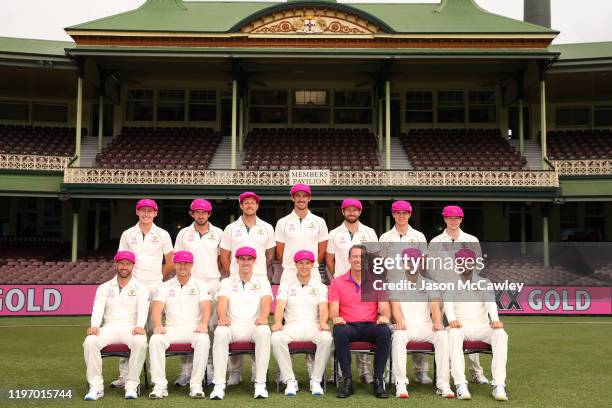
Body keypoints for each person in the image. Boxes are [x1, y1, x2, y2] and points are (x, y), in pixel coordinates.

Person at [111, 198, 174, 389]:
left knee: (155, 331)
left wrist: (158, 278)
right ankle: (125, 376)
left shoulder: (162, 234)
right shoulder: (127, 234)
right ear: (137, 212)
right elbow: (122, 260)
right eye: (142, 210)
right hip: (134, 287)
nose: (146, 214)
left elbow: (170, 261)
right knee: (131, 329)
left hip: (155, 287)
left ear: (155, 213)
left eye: (150, 211)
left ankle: (157, 378)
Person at [428, 205, 489, 385]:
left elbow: (477, 266)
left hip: (466, 292)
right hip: (443, 292)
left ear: (461, 219)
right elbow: (431, 268)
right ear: (444, 219)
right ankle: (445, 372)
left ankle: (476, 372)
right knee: (444, 332)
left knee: (470, 330)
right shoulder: (435, 241)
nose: (453, 221)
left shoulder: (471, 240)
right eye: (449, 218)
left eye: (456, 218)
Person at [219, 192, 275, 384]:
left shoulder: (267, 228)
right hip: (235, 279)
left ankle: (256, 370)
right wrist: (233, 273)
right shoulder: (230, 228)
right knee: (232, 321)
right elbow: (225, 255)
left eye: (253, 203)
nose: (249, 205)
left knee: (258, 323)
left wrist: (259, 273)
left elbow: (270, 254)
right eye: (246, 203)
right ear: (241, 206)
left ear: (257, 206)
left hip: (259, 279)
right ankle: (234, 371)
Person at [83, 251, 149, 401]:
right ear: (116, 264)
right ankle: (96, 387)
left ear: (133, 265)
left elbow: (143, 309)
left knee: (140, 341)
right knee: (90, 341)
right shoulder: (104, 287)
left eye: (127, 264)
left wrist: (140, 326)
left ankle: (131, 385)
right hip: (109, 327)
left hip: (131, 327)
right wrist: (94, 326)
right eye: (121, 263)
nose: (124, 267)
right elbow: (98, 309)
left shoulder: (141, 287)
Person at [389, 248, 454, 399]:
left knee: (443, 335)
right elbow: (395, 306)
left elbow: (434, 307)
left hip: (425, 326)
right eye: (409, 261)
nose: (412, 264)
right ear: (403, 263)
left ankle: (443, 384)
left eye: (416, 261)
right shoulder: (395, 283)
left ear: (421, 264)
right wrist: (399, 321)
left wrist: (437, 323)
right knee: (398, 336)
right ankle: (401, 383)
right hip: (406, 326)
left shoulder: (430, 283)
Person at [210, 246, 273, 400]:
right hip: (233, 325)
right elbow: (222, 302)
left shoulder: (262, 281)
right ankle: (219, 385)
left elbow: (266, 302)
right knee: (220, 331)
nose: (246, 262)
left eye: (249, 259)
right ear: (236, 261)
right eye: (242, 259)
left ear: (254, 261)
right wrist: (222, 317)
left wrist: (264, 317)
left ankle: (260, 383)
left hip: (254, 325)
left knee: (264, 331)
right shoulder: (227, 281)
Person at [326, 198, 378, 384]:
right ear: (342, 212)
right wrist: (337, 280)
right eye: (348, 210)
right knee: (340, 327)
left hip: (364, 283)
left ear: (360, 212)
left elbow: (374, 258)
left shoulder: (369, 232)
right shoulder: (334, 233)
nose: (351, 213)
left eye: (355, 210)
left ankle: (364, 370)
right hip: (341, 286)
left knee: (364, 323)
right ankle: (338, 371)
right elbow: (329, 260)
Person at [379, 200, 431, 385]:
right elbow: (381, 265)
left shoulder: (418, 236)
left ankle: (421, 371)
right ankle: (389, 371)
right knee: (390, 331)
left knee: (419, 324)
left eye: (405, 213)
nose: (401, 216)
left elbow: (422, 264)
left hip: (414, 285)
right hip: (392, 285)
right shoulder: (385, 237)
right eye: (398, 213)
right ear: (393, 214)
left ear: (410, 215)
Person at [446, 248, 509, 401]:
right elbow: (448, 306)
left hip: (481, 326)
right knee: (453, 333)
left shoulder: (485, 283)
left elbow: (490, 304)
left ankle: (499, 385)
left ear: (474, 263)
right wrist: (452, 320)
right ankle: (460, 384)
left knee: (501, 334)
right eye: (460, 261)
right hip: (460, 327)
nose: (464, 264)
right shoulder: (450, 284)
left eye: (468, 261)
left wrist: (495, 320)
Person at [148, 251, 212, 399]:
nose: (183, 266)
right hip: (172, 328)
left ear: (192, 265)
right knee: (155, 340)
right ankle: (160, 386)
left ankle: (196, 385)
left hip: (193, 328)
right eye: (180, 263)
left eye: (187, 263)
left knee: (203, 339)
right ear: (175, 264)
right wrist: (158, 325)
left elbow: (206, 307)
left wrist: (203, 324)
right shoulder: (164, 286)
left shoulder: (201, 285)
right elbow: (157, 308)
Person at [329, 245, 391, 399]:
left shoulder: (377, 281)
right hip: (348, 326)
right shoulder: (338, 282)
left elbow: (385, 310)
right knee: (339, 331)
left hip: (370, 326)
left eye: (361, 256)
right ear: (349, 259)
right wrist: (336, 317)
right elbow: (333, 311)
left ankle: (378, 381)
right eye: (355, 256)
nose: (358, 260)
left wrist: (384, 316)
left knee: (384, 331)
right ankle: (347, 381)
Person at [173, 198, 223, 387]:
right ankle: (186, 372)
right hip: (189, 285)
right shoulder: (184, 234)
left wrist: (211, 272)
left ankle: (210, 371)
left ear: (209, 214)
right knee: (188, 326)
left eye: (204, 212)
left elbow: (221, 258)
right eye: (197, 212)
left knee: (211, 329)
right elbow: (177, 260)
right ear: (191, 213)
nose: (200, 215)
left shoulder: (218, 233)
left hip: (212, 283)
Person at [271, 250, 333, 396]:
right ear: (296, 265)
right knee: (275, 338)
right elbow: (280, 306)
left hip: (313, 325)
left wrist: (323, 322)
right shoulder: (286, 284)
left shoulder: (320, 286)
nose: (304, 266)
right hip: (292, 325)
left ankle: (316, 380)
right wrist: (278, 322)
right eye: (301, 263)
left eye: (307, 263)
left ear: (312, 265)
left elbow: (324, 308)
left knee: (326, 338)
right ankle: (290, 380)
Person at [275, 183, 328, 283]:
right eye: (298, 196)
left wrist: (310, 265)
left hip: (312, 271)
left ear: (309, 198)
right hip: (289, 272)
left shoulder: (320, 221)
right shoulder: (282, 222)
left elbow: (322, 250)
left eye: (304, 196)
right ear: (292, 198)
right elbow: (279, 252)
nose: (301, 199)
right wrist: (290, 265)